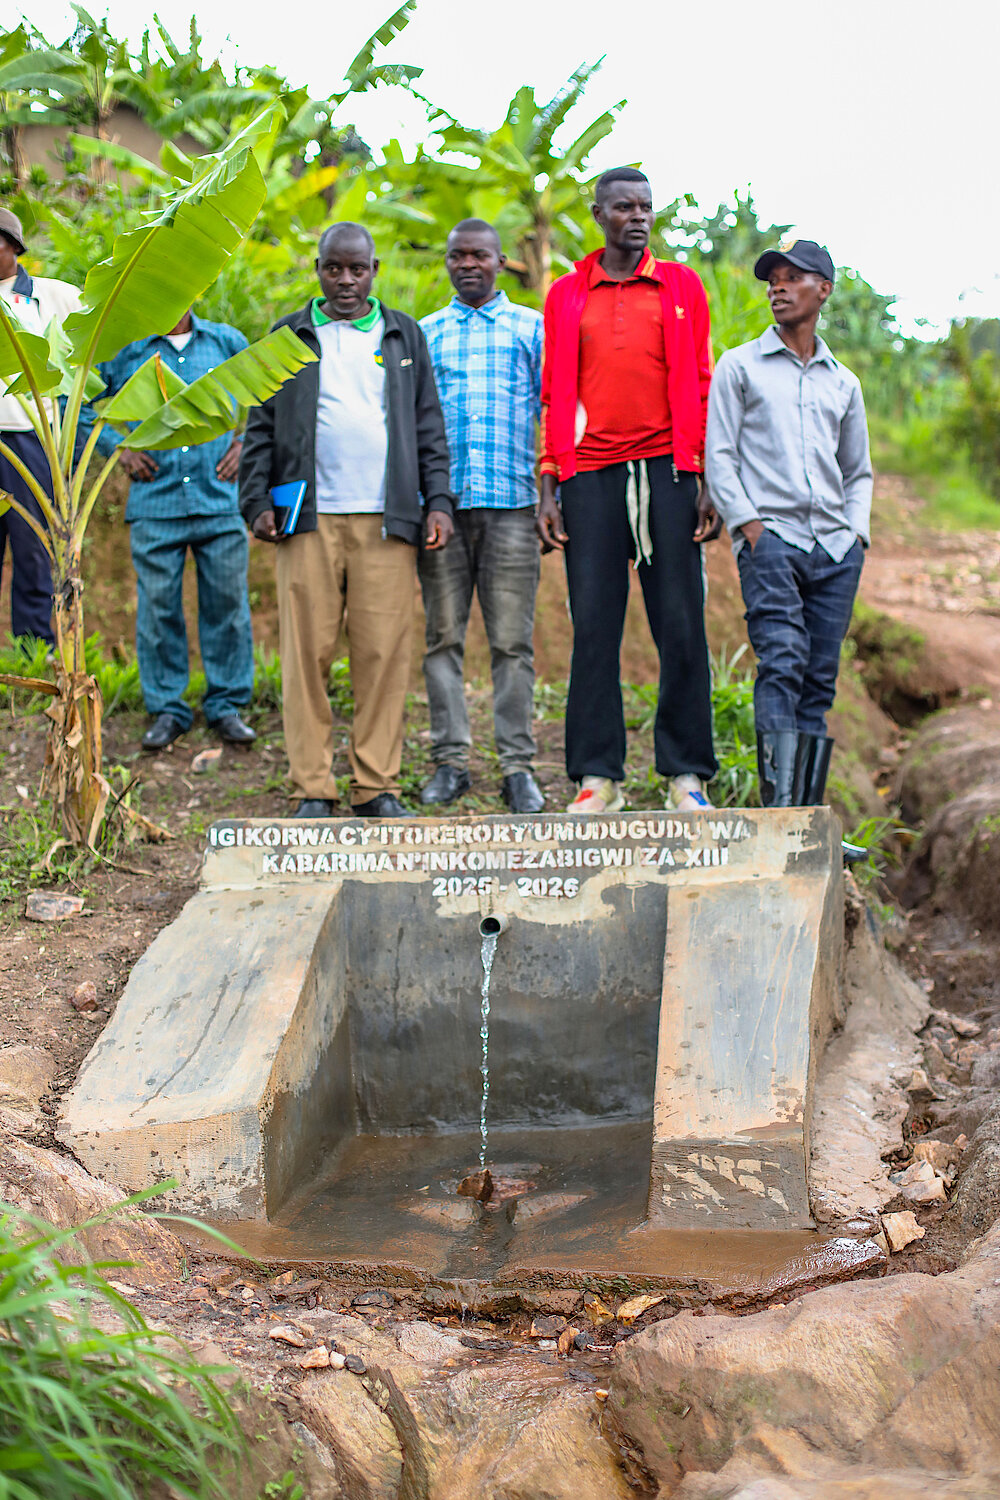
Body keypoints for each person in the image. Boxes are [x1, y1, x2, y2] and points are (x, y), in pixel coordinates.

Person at [239, 221, 456, 819]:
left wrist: (437, 502)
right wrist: (255, 502)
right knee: (306, 655)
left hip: (388, 522)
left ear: (374, 271)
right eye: (334, 268)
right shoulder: (289, 335)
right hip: (305, 518)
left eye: (356, 269)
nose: (345, 281)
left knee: (382, 654)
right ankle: (312, 786)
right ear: (319, 269)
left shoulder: (401, 334)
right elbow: (259, 426)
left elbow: (428, 427)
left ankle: (376, 785)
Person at [535, 168, 718, 816]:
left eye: (645, 206)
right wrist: (551, 482)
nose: (637, 217)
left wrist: (701, 476)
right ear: (598, 215)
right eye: (623, 207)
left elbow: (700, 379)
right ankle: (596, 779)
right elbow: (555, 389)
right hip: (590, 477)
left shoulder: (680, 286)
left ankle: (686, 776)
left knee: (680, 624)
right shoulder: (565, 295)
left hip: (668, 472)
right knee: (594, 627)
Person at [704, 238, 872, 813]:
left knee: (818, 680)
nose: (777, 286)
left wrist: (856, 537)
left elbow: (859, 472)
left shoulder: (843, 383)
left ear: (822, 290)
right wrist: (751, 527)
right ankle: (778, 815)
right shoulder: (740, 367)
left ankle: (806, 820)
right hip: (770, 540)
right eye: (771, 278)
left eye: (792, 277)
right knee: (782, 661)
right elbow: (719, 457)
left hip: (834, 548)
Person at [84, 310, 256, 751]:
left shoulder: (225, 342)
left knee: (227, 605)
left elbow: (266, 395)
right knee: (159, 611)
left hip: (219, 500)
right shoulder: (127, 353)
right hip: (154, 505)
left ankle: (227, 705)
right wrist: (117, 448)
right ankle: (167, 709)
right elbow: (76, 402)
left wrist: (243, 442)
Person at [418, 219, 545, 814]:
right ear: (447, 262)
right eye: (457, 255)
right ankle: (451, 762)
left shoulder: (531, 329)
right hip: (443, 510)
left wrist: (552, 494)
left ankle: (517, 766)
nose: (467, 264)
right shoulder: (426, 335)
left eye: (479, 255)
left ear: (499, 262)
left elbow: (555, 413)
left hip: (514, 506)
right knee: (443, 638)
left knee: (512, 643)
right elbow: (414, 424)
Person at [0, 207, 81, 645]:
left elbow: (90, 342)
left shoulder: (52, 297)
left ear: (14, 247)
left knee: (32, 551)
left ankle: (33, 653)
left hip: (30, 441)